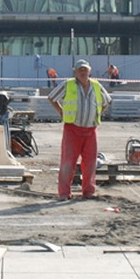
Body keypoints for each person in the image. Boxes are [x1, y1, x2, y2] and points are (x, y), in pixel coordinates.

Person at [48, 59, 112, 200]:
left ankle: (89, 191)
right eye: (80, 70)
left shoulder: (96, 85)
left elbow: (107, 100)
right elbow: (51, 98)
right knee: (68, 162)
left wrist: (97, 113)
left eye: (85, 69)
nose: (83, 72)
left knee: (90, 162)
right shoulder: (68, 85)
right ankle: (64, 193)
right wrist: (61, 111)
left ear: (89, 70)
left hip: (90, 130)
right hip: (72, 129)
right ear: (75, 72)